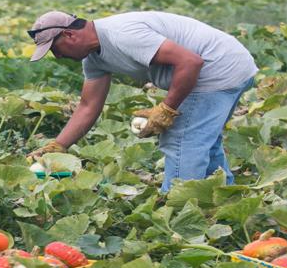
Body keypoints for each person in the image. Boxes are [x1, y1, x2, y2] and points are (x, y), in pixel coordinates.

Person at [24, 10, 259, 192]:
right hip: (230, 65)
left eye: (55, 49)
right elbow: (88, 106)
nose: (58, 56)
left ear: (69, 34)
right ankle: (222, 196)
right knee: (203, 140)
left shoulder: (121, 34)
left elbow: (191, 62)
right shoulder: (94, 59)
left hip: (218, 67)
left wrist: (166, 109)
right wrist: (58, 146)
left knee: (182, 140)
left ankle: (180, 209)